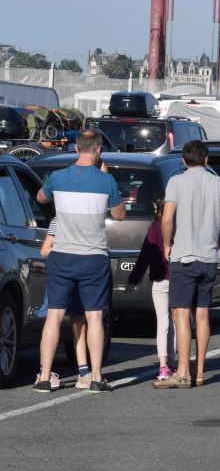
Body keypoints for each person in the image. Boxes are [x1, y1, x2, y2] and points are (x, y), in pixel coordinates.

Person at [34, 130, 124, 393]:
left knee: (54, 316)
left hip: (62, 255)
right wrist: (106, 178)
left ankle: (44, 376)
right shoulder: (106, 181)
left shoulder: (58, 177)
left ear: (75, 148)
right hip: (93, 257)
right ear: (98, 151)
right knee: (95, 317)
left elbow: (40, 197)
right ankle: (95, 377)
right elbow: (119, 215)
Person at [154, 140, 220, 389]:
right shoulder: (219, 183)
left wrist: (168, 245)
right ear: (206, 159)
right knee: (202, 315)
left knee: (181, 316)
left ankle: (182, 373)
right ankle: (200, 371)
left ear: (183, 160)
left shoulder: (176, 182)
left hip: (184, 256)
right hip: (209, 257)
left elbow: (167, 218)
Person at [125, 191, 176, 381]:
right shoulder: (179, 226)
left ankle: (163, 366)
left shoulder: (154, 228)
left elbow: (144, 257)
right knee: (175, 321)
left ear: (158, 207)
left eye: (155, 207)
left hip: (160, 279)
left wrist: (133, 280)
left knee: (162, 321)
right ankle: (172, 360)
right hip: (178, 279)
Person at [37, 216, 90, 390]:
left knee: (79, 323)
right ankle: (44, 373)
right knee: (54, 320)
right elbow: (45, 250)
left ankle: (83, 373)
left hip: (77, 275)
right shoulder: (58, 220)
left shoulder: (87, 218)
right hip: (62, 275)